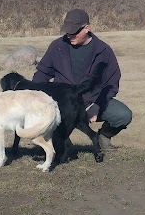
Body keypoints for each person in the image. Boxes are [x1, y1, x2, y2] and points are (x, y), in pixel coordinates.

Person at [33, 9, 132, 151]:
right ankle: (62, 140)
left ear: (87, 28)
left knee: (123, 115)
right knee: (60, 146)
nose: (69, 35)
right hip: (62, 103)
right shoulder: (57, 46)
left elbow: (111, 82)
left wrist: (97, 105)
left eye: (74, 32)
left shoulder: (103, 50)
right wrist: (35, 98)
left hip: (91, 102)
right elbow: (42, 74)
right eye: (67, 31)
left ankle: (103, 137)